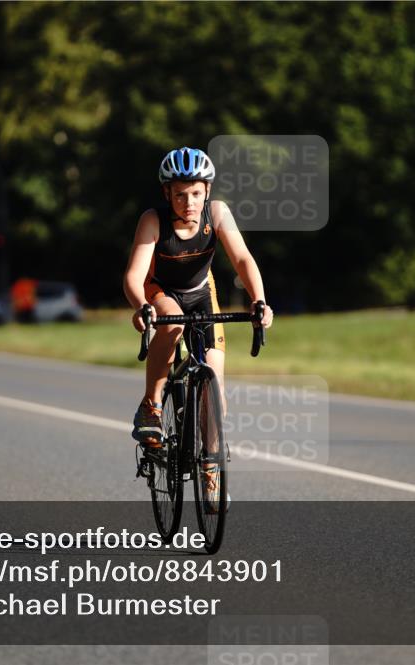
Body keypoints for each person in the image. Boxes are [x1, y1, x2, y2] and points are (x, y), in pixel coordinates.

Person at [123, 147, 274, 502]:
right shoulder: (152, 220)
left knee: (215, 388)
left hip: (202, 292)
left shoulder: (217, 212)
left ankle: (210, 467)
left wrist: (259, 300)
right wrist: (142, 306)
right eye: (179, 194)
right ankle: (152, 404)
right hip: (161, 291)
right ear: (167, 194)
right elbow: (133, 275)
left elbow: (242, 259)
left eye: (195, 193)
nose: (188, 202)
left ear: (207, 190)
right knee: (172, 327)